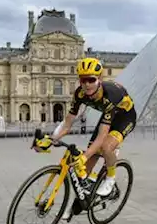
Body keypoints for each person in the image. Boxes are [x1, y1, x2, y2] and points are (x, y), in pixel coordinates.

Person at [37, 57, 134, 197]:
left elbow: (101, 137)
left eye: (91, 80)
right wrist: (51, 139)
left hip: (124, 117)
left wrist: (84, 156)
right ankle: (85, 198)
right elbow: (67, 123)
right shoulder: (80, 94)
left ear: (99, 79)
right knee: (85, 167)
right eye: (83, 80)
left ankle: (110, 179)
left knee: (105, 147)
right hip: (107, 117)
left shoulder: (110, 95)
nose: (87, 84)